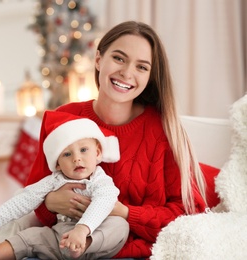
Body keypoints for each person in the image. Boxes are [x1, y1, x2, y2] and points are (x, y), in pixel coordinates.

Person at [23, 20, 209, 259]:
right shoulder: (63, 118)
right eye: (119, 58)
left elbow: (189, 214)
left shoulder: (165, 129)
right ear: (99, 60)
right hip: (64, 250)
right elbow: (33, 199)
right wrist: (49, 203)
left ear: (150, 77)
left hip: (132, 254)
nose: (127, 73)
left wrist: (123, 212)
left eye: (142, 67)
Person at [0, 110, 129, 260]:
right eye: (67, 154)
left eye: (83, 150)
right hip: (60, 240)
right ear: (57, 164)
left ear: (97, 153)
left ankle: (81, 246)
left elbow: (105, 200)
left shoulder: (100, 179)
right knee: (32, 235)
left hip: (94, 239)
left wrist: (82, 230)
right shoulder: (54, 181)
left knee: (120, 226)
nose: (76, 158)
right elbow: (25, 198)